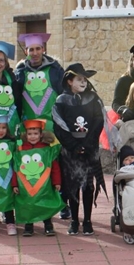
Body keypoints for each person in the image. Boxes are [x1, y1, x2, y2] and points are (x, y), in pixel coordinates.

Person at [53, 63, 106, 236]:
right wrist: (74, 146)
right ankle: (74, 220)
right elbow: (59, 126)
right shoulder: (61, 101)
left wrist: (88, 144)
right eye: (79, 79)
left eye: (85, 79)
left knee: (88, 186)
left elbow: (99, 121)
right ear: (69, 81)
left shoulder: (93, 99)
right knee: (73, 186)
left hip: (90, 148)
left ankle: (88, 220)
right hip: (70, 150)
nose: (83, 82)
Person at [14, 119, 64, 237]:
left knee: (44, 202)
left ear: (41, 134)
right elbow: (16, 168)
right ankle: (28, 226)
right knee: (27, 204)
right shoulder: (21, 149)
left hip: (44, 184)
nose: (32, 137)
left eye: (35, 134)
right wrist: (15, 184)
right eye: (30, 134)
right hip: (25, 184)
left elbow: (54, 166)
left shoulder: (47, 149)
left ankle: (48, 225)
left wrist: (57, 182)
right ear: (25, 135)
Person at [14, 32, 64, 126]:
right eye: (31, 50)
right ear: (26, 52)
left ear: (43, 49)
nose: (35, 53)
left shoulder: (56, 71)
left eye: (38, 49)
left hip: (52, 128)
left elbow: (64, 97)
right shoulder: (20, 73)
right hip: (27, 130)